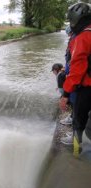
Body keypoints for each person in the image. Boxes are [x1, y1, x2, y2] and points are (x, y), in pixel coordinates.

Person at [59, 2, 91, 157]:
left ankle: (76, 152)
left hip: (86, 88)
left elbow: (77, 70)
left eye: (72, 21)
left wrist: (65, 95)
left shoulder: (84, 36)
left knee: (78, 122)